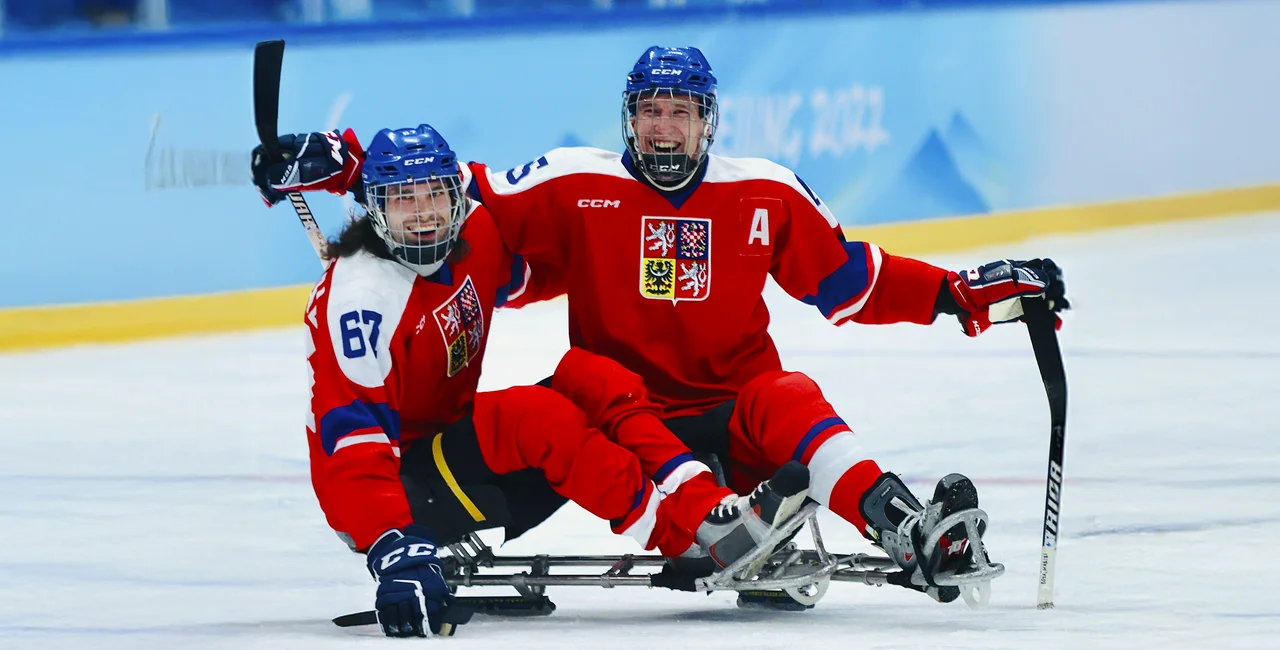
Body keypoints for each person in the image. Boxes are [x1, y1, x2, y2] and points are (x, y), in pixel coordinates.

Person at [465, 46, 1070, 601]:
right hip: (633, 428)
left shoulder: (765, 190)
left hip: (740, 427)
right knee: (583, 379)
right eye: (650, 110)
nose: (663, 126)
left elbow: (849, 281)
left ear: (708, 121)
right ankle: (710, 527)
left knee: (788, 393)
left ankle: (904, 526)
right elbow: (448, 197)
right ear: (629, 117)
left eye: (681, 111)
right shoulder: (574, 180)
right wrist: (370, 174)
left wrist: (958, 294)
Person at [250, 124, 811, 638]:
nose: (423, 214)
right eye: (402, 200)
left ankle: (707, 512)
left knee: (588, 372)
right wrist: (394, 546)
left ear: (455, 195)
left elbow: (541, 272)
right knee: (536, 418)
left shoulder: (476, 232)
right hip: (398, 488)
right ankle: (682, 540)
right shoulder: (361, 302)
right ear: (374, 209)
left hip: (452, 442)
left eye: (434, 196)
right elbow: (351, 445)